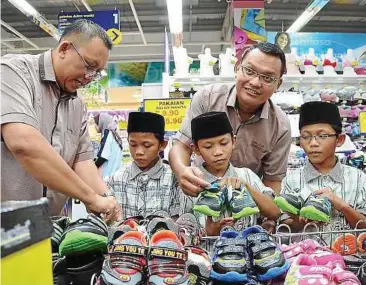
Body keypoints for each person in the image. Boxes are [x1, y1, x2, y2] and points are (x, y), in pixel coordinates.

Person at [1, 19, 121, 222]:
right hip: (6, 229)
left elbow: (82, 162)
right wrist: (90, 198)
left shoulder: (77, 106)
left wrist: (107, 200)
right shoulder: (12, 73)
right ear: (65, 49)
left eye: (97, 73)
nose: (90, 77)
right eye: (89, 66)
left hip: (48, 227)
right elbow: (24, 144)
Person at [170, 42, 291, 196]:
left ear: (278, 84)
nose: (255, 82)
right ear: (237, 68)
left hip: (247, 203)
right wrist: (182, 171)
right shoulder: (208, 99)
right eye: (249, 70)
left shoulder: (281, 126)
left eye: (267, 78)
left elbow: (273, 180)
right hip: (202, 193)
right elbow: (182, 145)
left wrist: (265, 214)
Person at [180, 112, 280, 236]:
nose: (218, 152)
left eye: (223, 143)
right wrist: (209, 232)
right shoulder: (192, 183)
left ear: (233, 141)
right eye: (208, 146)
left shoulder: (247, 175)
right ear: (196, 149)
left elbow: (274, 213)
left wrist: (245, 186)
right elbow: (183, 234)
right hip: (206, 253)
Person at [277, 101, 366, 234]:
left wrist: (342, 206)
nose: (313, 143)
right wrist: (299, 220)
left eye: (322, 136)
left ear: (339, 140)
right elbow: (284, 227)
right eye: (306, 136)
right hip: (305, 254)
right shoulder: (291, 180)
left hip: (349, 254)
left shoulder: (358, 178)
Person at [105, 112, 180, 218]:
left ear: (162, 145)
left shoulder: (173, 180)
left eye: (147, 145)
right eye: (133, 145)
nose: (139, 151)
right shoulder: (116, 179)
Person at [94, 113, 124, 178]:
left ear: (101, 122)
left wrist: (93, 167)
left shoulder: (107, 134)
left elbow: (103, 156)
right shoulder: (115, 135)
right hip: (115, 175)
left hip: (107, 176)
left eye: (96, 123)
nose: (94, 126)